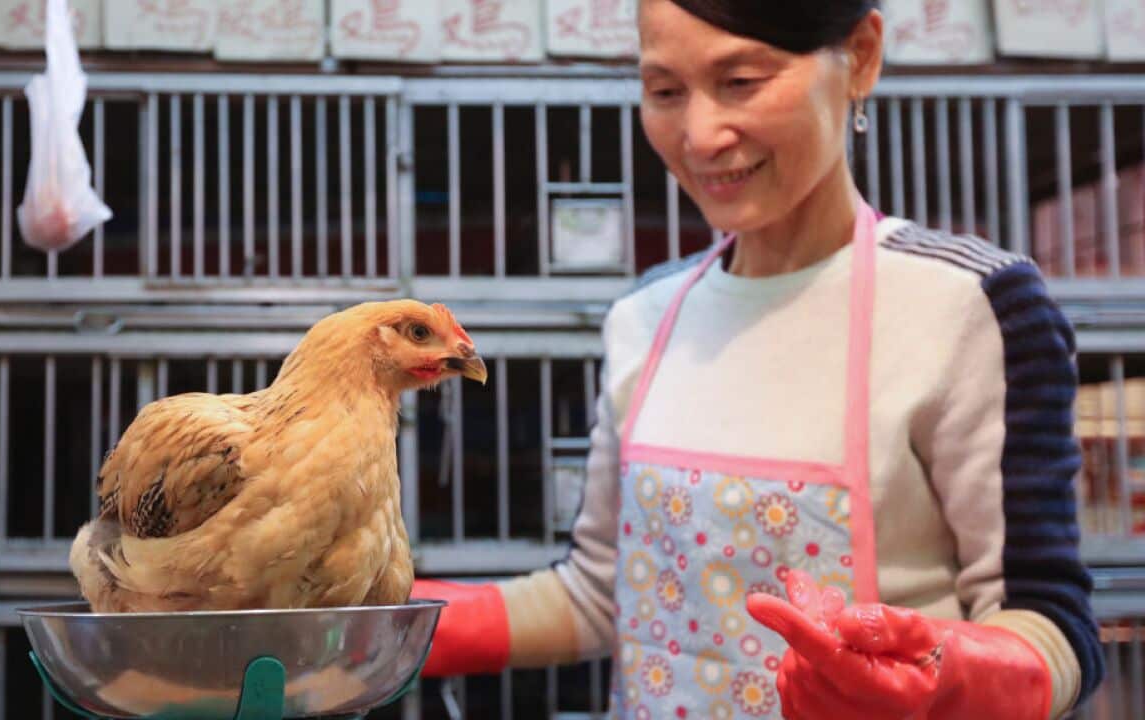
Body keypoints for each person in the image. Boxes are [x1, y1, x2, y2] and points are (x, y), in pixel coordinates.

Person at [411, 2, 1106, 718]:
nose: (701, 134)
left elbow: (1049, 622)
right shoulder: (645, 318)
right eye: (665, 91)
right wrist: (404, 626)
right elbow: (603, 592)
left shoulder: (968, 305)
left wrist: (948, 678)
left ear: (861, 57)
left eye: (741, 80)